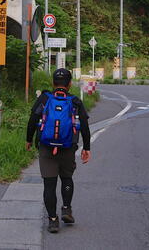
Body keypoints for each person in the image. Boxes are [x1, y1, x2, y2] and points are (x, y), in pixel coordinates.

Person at [26, 68, 91, 233]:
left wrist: (29, 139)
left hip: (47, 147)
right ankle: (67, 208)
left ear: (53, 83)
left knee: (49, 185)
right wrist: (87, 148)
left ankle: (53, 220)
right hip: (68, 148)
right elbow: (84, 125)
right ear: (69, 84)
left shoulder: (44, 98)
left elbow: (33, 119)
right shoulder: (75, 101)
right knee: (67, 179)